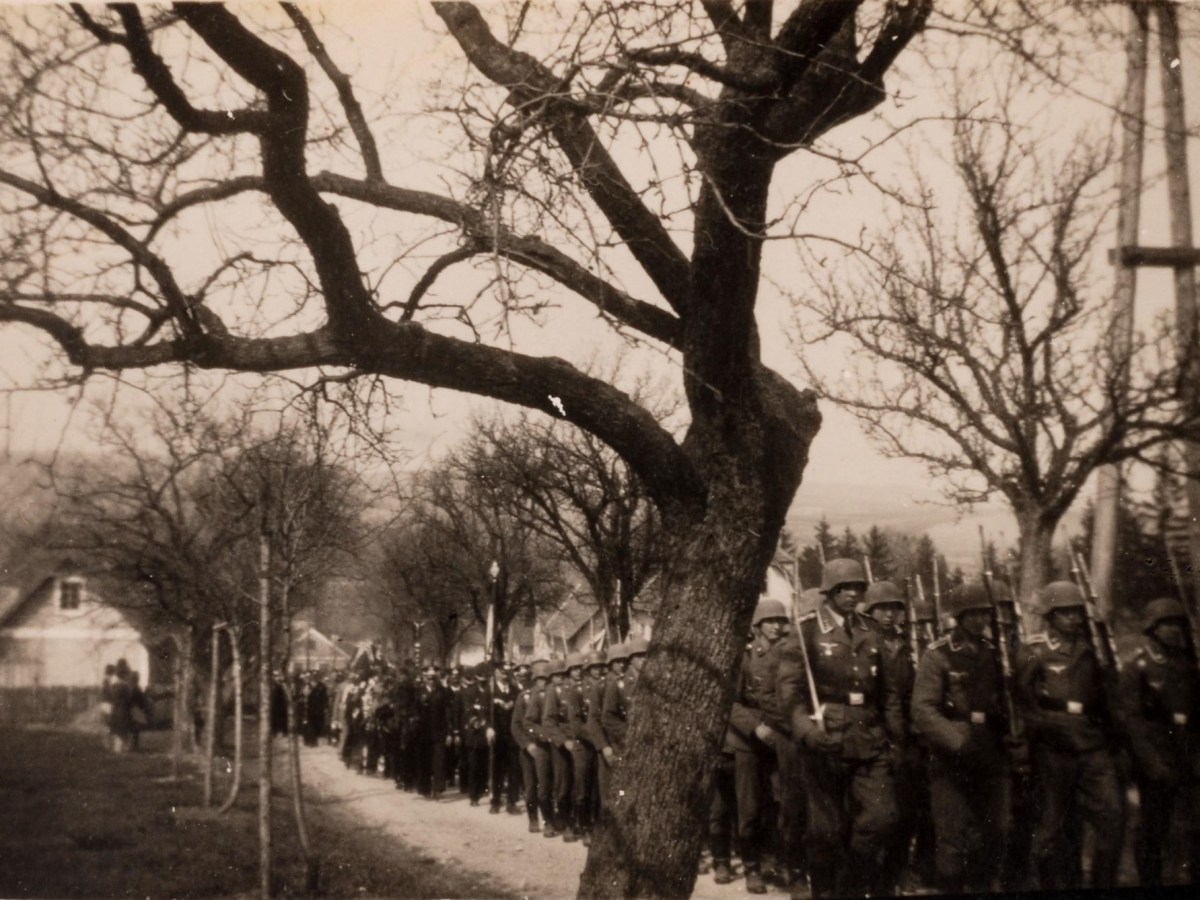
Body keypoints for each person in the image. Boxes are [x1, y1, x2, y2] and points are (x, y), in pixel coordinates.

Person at [777, 558, 902, 898]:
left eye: (857, 588)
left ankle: (850, 885)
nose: (852, 594)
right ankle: (823, 891)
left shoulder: (871, 629)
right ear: (829, 592)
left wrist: (896, 738)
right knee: (825, 831)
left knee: (881, 818)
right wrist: (807, 731)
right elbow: (789, 691)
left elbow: (889, 692)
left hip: (870, 736)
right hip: (825, 736)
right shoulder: (806, 631)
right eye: (844, 588)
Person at [1016, 580, 1124, 890]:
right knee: (1051, 826)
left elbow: (1108, 698)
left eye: (1077, 612)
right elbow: (1021, 700)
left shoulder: (1093, 649)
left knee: (1113, 817)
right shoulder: (1034, 650)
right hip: (1053, 748)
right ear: (1050, 616)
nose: (1074, 618)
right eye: (1065, 613)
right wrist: (1040, 731)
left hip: (1092, 745)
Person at [911, 582, 1014, 893]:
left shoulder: (995, 653)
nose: (979, 620)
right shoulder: (938, 654)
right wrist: (957, 741)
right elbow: (923, 710)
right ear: (958, 616)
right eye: (972, 614)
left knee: (995, 832)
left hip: (991, 753)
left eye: (983, 613)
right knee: (953, 836)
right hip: (952, 756)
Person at [712, 598, 798, 894]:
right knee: (748, 808)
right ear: (757, 627)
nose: (776, 626)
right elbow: (729, 702)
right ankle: (751, 868)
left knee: (780, 804)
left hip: (782, 738)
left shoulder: (790, 654)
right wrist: (754, 727)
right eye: (769, 621)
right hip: (747, 741)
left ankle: (775, 861)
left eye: (780, 621)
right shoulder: (745, 658)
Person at [1118, 597, 1200, 886]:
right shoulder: (1137, 668)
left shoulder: (1188, 666)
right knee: (1154, 828)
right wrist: (1151, 763)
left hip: (1187, 755)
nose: (1174, 630)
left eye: (1178, 624)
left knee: (1193, 826)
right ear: (1152, 629)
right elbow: (1132, 721)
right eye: (1167, 624)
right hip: (1156, 758)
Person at [511, 659, 545, 833]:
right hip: (530, 748)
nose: (542, 682)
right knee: (531, 786)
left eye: (546, 678)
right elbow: (516, 725)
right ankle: (533, 818)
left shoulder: (552, 694)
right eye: (539, 679)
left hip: (547, 746)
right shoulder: (524, 697)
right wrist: (528, 745)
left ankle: (550, 818)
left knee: (547, 785)